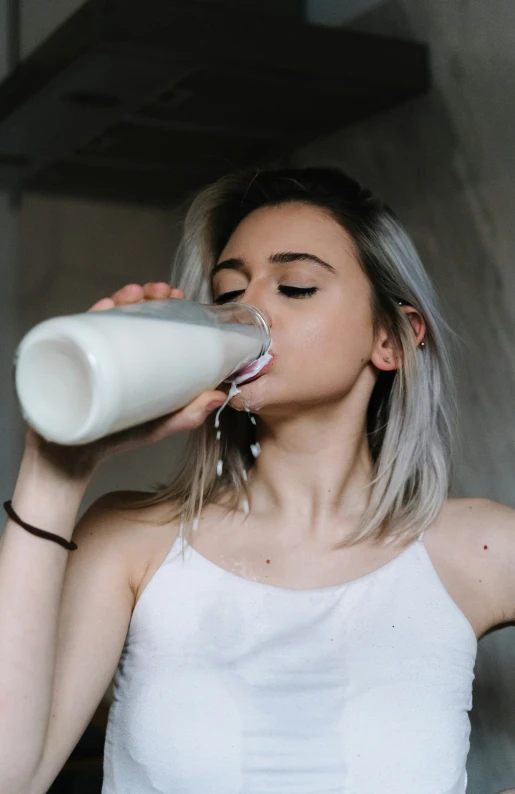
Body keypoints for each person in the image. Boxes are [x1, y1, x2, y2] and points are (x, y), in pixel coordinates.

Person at [1, 167, 514, 794]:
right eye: (227, 292)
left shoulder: (481, 549)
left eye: (295, 286)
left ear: (393, 338)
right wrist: (54, 471)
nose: (251, 310)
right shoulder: (131, 541)